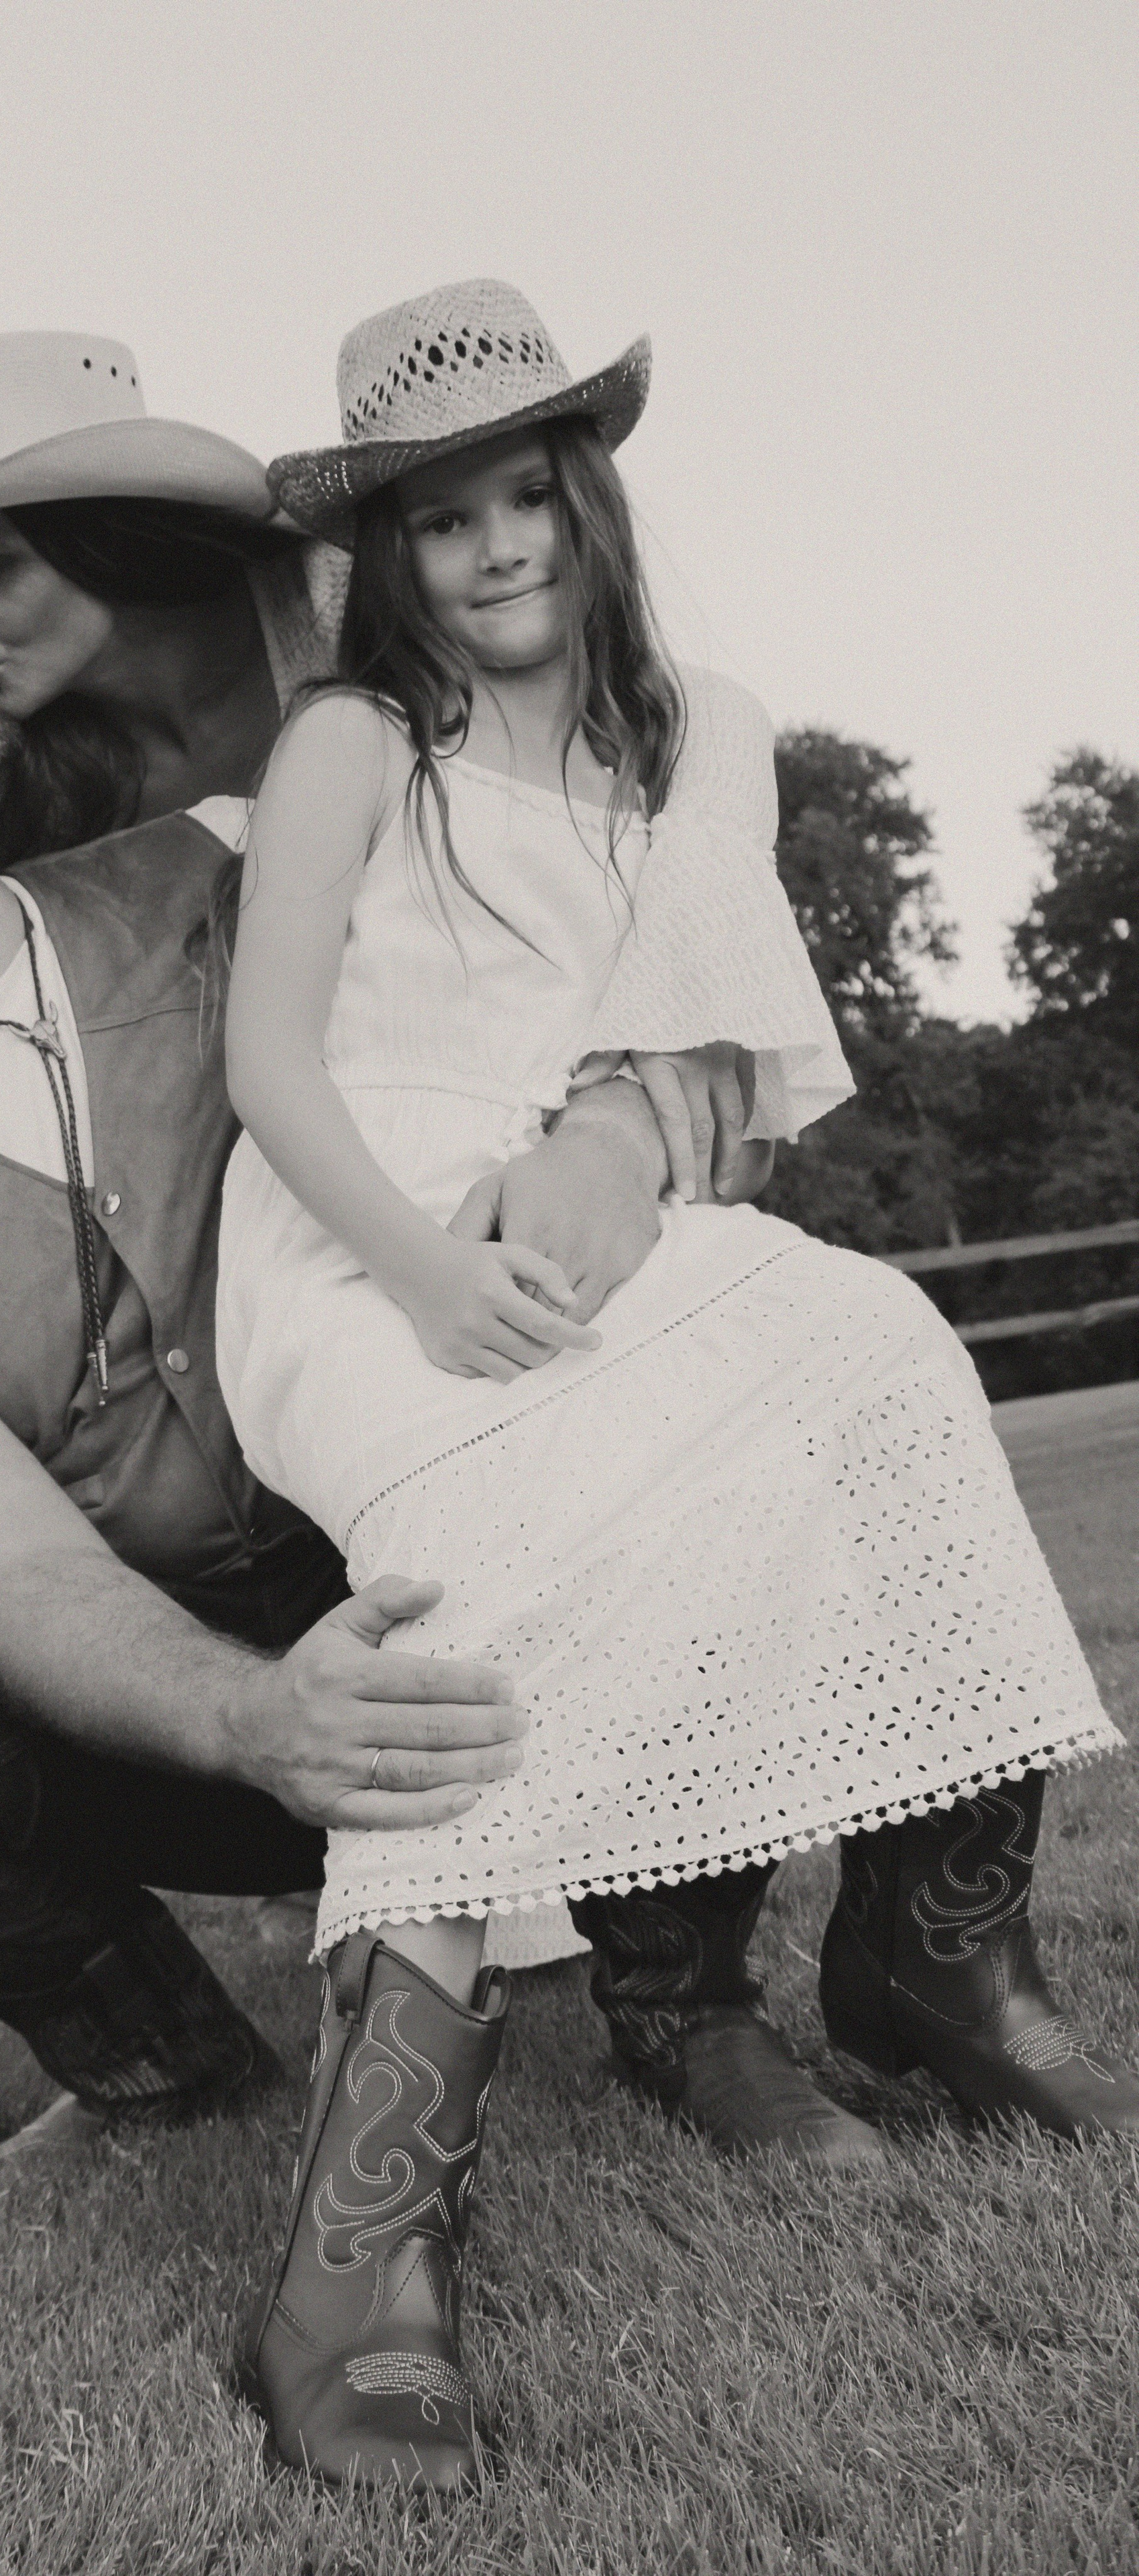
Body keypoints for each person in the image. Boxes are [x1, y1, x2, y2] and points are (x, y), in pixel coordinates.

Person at [215, 280, 1138, 2491]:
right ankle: (364, 2257)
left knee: (882, 1353)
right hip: (361, 1253)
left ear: (589, 503)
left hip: (591, 1237)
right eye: (443, 521)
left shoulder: (686, 735)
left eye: (531, 496)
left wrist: (599, 1168)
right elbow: (265, 1064)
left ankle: (933, 1966)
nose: (498, 547)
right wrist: (430, 1270)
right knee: (492, 1537)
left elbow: (707, 1057)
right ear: (389, 558)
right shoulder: (355, 749)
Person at [0, 506, 726, 2174]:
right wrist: (265, 1727)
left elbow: (609, 951)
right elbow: (8, 1575)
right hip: (187, 1712)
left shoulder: (228, 860)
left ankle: (692, 1994)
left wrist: (610, 1129)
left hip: (488, 1564)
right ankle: (167, 2074)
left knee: (679, 1362)